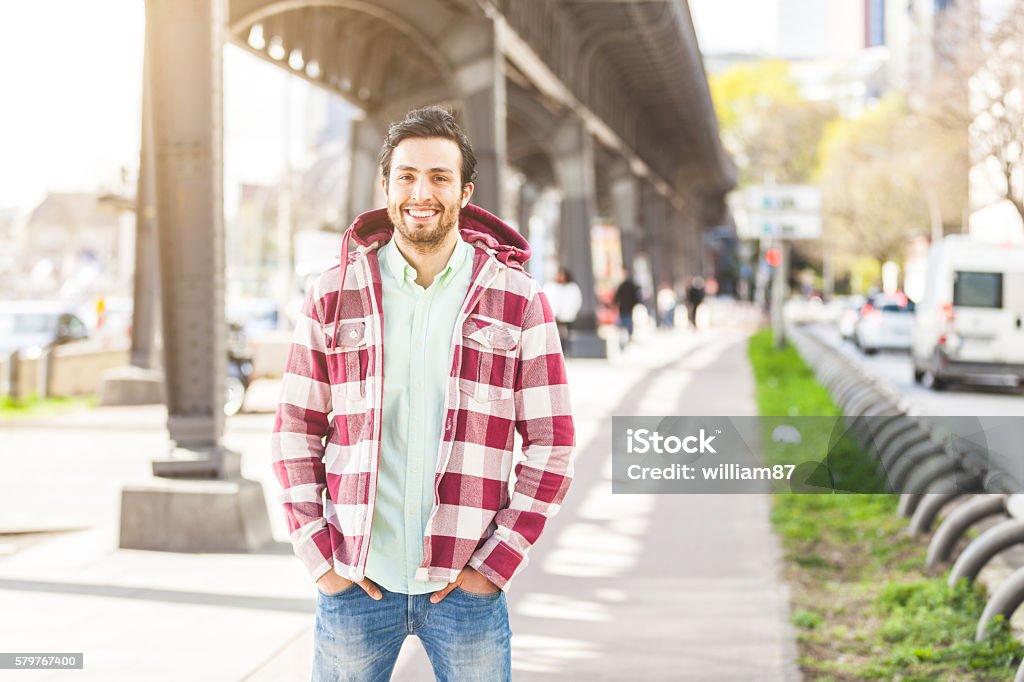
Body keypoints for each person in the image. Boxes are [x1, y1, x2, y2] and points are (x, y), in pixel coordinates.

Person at [271, 106, 575, 682]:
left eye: (439, 177)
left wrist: (496, 563)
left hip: (466, 588)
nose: (421, 192)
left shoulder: (518, 300)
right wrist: (320, 558)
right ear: (384, 187)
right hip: (356, 582)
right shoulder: (334, 295)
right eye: (406, 176)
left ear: (464, 191)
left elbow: (553, 444)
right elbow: (294, 430)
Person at [542, 266, 582, 353]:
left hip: (567, 317)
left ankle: (566, 351)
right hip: (553, 315)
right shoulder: (550, 286)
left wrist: (570, 312)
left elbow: (576, 301)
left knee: (565, 335)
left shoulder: (572, 288)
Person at [612, 270, 642, 343]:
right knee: (626, 321)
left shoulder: (627, 285)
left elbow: (635, 295)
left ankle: (628, 335)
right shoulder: (624, 285)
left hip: (626, 307)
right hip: (625, 307)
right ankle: (628, 335)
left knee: (627, 321)